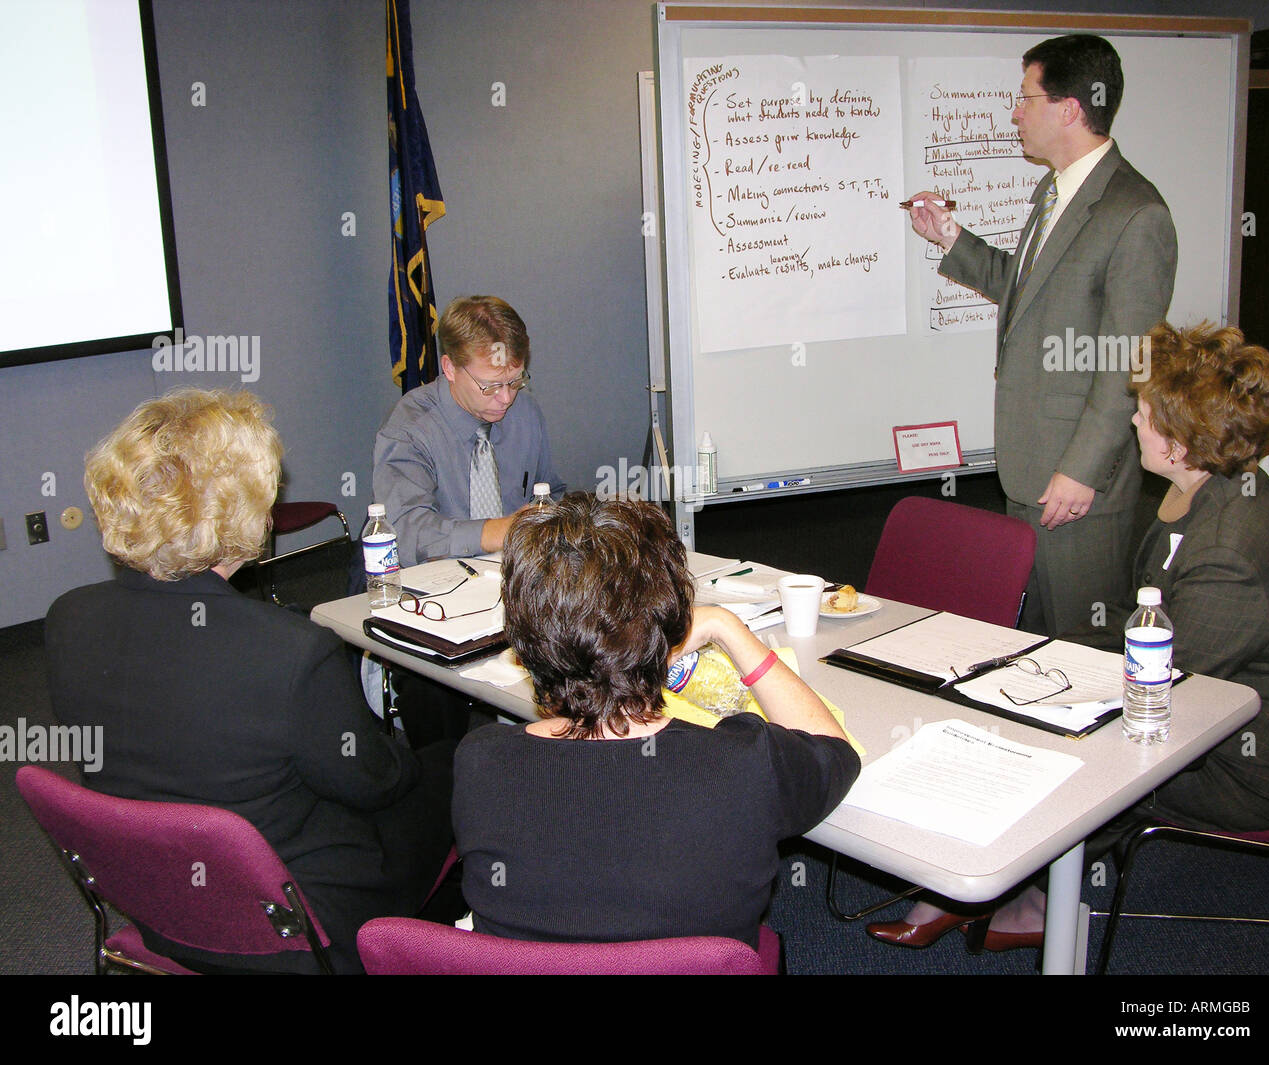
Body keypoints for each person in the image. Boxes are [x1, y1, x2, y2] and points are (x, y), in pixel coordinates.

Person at [868, 321, 1269, 953]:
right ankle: (1015, 888)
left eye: (1146, 414)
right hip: (1194, 705)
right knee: (1028, 716)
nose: (1134, 422)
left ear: (1180, 443)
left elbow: (1164, 692)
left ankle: (1012, 895)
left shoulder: (1231, 545)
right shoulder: (1200, 493)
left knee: (1066, 761)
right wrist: (1038, 656)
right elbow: (1138, 616)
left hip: (1247, 758)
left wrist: (1039, 696)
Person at [45, 389, 456, 974]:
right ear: (246, 512)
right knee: (457, 764)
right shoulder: (290, 650)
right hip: (299, 921)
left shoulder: (68, 619)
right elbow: (375, 784)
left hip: (160, 904)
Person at [451, 494, 861, 948]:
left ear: (522, 640)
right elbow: (833, 748)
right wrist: (728, 628)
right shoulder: (744, 767)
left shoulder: (480, 762)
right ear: (670, 626)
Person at [906, 34, 1177, 637]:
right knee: (1032, 644)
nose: (1016, 111)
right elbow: (1028, 290)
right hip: (1031, 467)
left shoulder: (1135, 213)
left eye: (1026, 97)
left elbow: (1128, 361)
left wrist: (1081, 470)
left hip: (1077, 482)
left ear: (1071, 108)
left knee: (1083, 647)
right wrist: (952, 238)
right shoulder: (1054, 191)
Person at [373, 294, 565, 563]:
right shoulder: (410, 429)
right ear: (450, 368)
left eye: (514, 381)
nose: (506, 398)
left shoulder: (526, 413)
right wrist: (501, 531)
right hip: (435, 584)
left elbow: (551, 493)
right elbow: (405, 532)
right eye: (490, 386)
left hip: (516, 576)